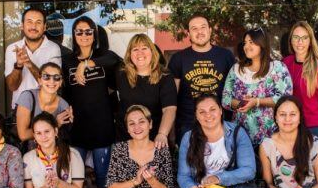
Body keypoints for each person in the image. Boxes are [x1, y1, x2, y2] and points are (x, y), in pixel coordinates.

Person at [63, 16, 121, 188]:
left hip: (102, 124)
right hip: (77, 127)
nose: (84, 35)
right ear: (74, 35)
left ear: (94, 34)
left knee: (102, 173)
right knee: (74, 173)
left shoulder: (103, 56)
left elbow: (116, 61)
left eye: (88, 31)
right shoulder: (67, 60)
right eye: (79, 31)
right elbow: (64, 92)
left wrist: (86, 64)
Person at [168, 13, 236, 141]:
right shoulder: (178, 59)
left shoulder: (226, 56)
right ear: (188, 34)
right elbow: (171, 98)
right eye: (194, 29)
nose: (199, 32)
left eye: (203, 27)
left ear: (210, 30)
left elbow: (235, 91)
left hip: (221, 124)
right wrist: (171, 131)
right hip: (188, 125)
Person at [222, 27, 293, 146]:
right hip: (242, 137)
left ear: (262, 44)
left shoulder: (277, 68)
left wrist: (257, 102)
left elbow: (285, 99)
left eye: (251, 42)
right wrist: (241, 103)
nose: (246, 46)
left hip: (272, 137)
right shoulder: (236, 69)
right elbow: (225, 100)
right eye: (245, 43)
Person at [116, 34, 177, 148]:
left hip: (155, 140)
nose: (140, 53)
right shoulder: (121, 74)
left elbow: (169, 109)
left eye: (144, 48)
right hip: (125, 139)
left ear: (152, 52)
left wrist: (162, 134)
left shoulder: (165, 76)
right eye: (135, 49)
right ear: (129, 54)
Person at [282, 21, 318, 143]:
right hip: (289, 125)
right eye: (296, 37)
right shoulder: (285, 63)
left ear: (310, 41)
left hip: (313, 127)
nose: (300, 42)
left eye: (305, 38)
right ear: (291, 40)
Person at [4, 8, 62, 110]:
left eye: (38, 22)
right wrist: (19, 65)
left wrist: (29, 63)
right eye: (29, 22)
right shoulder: (12, 48)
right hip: (20, 109)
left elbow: (51, 83)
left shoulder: (54, 48)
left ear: (44, 27)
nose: (33, 26)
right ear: (22, 25)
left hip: (46, 109)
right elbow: (12, 87)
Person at [15, 62, 72, 148]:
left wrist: (69, 123)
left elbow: (62, 139)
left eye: (56, 77)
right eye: (46, 77)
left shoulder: (64, 106)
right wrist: (55, 124)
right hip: (28, 151)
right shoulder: (28, 97)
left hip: (52, 152)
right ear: (39, 80)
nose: (52, 81)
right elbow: (23, 135)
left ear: (60, 82)